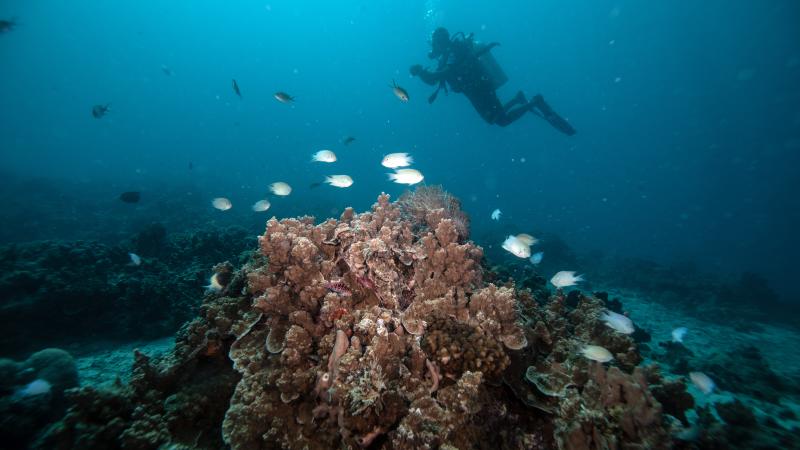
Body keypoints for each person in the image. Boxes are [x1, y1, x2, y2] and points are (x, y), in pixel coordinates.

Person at [410, 27, 576, 135]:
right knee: (496, 118)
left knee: (500, 120)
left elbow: (441, 74)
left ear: (440, 41)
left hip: (479, 89)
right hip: (475, 90)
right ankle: (519, 99)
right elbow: (434, 80)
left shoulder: (454, 52)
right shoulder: (447, 55)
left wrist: (421, 72)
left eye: (434, 43)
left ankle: (535, 102)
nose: (433, 48)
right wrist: (422, 74)